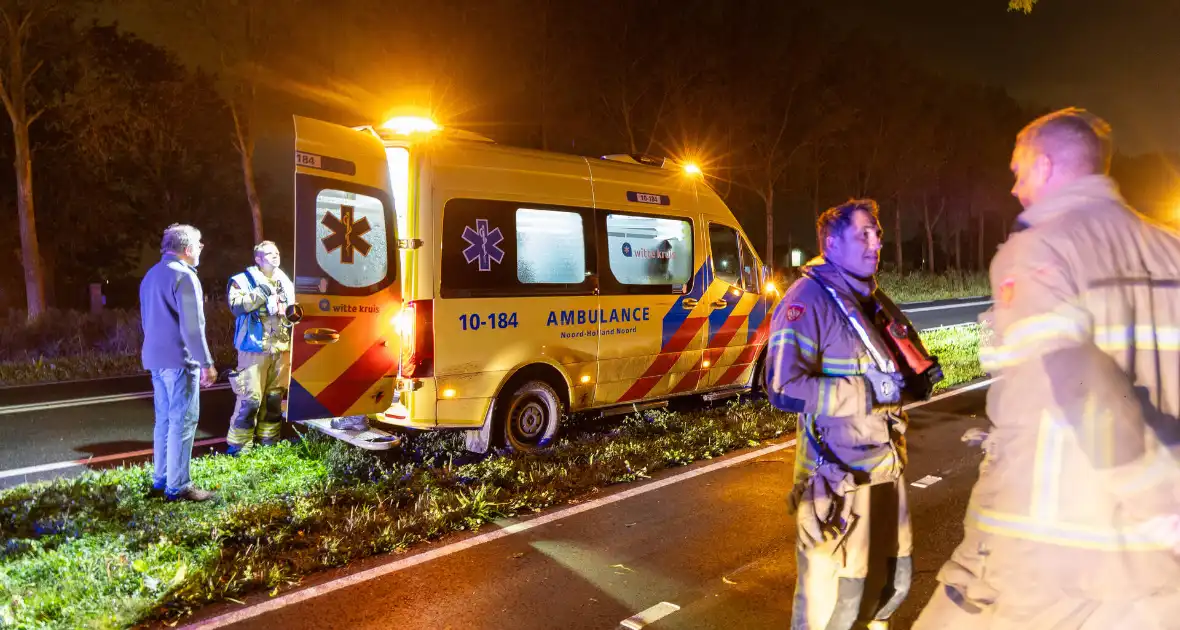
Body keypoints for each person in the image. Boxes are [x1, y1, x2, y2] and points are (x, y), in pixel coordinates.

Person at [914, 107, 1180, 628]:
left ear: (1044, 165)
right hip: (1155, 581)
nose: (1014, 188)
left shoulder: (1041, 248)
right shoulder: (1170, 250)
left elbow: (1081, 385)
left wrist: (1162, 507)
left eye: (1018, 170)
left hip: (1056, 560)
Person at [767, 199, 942, 630]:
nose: (876, 241)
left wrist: (916, 374)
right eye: (863, 233)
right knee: (831, 605)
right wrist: (864, 391)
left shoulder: (869, 299)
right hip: (836, 483)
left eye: (877, 232)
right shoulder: (806, 300)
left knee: (885, 589)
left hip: (885, 473)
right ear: (830, 242)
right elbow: (782, 388)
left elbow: (893, 366)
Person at [140, 223, 218, 502]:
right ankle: (179, 485)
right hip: (179, 360)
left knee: (163, 421)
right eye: (198, 244)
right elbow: (192, 328)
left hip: (155, 359)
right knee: (183, 422)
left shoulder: (150, 276)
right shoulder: (185, 277)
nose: (201, 248)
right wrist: (206, 362)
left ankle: (161, 480)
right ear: (187, 249)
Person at [224, 240, 295, 455]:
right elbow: (236, 307)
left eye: (276, 252)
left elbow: (293, 312)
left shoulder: (286, 281)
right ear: (257, 259)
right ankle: (239, 448)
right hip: (253, 350)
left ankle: (269, 444)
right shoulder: (242, 280)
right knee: (250, 399)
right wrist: (261, 292)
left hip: (281, 349)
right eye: (268, 253)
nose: (275, 256)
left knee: (274, 400)